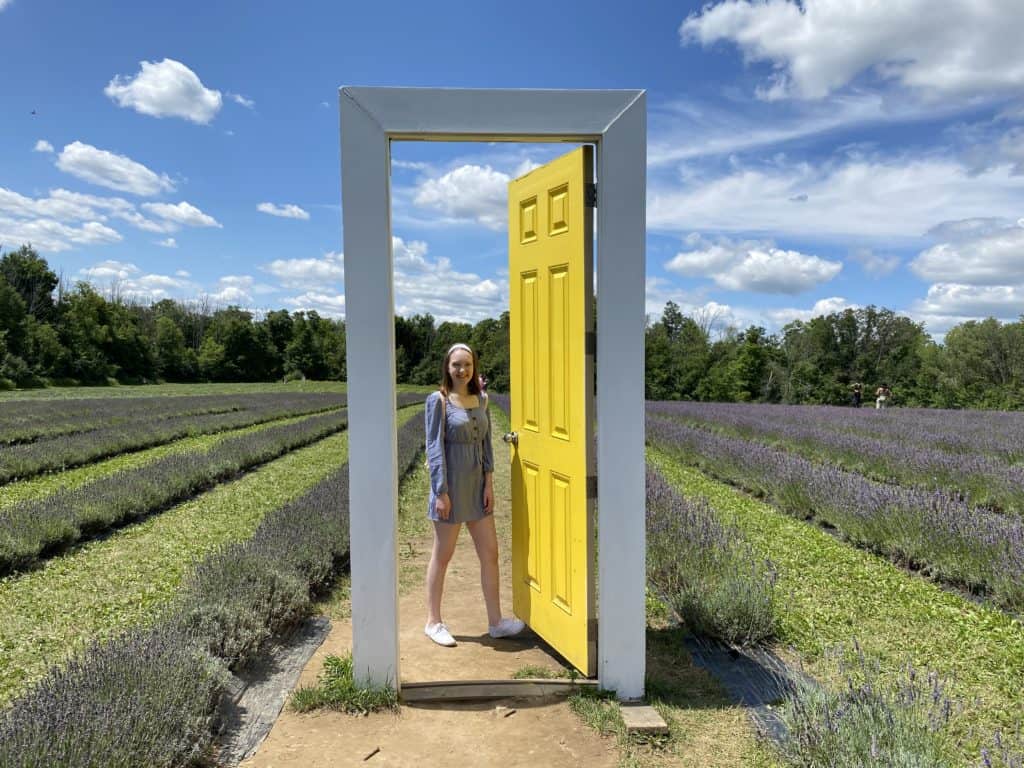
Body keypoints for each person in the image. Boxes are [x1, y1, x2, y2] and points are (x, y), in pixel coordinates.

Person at [423, 342, 525, 647]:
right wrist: (441, 492)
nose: (462, 370)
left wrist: (489, 484)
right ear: (447, 367)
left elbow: (487, 445)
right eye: (456, 365)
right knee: (443, 556)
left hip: (477, 488)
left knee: (490, 554)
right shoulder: (438, 401)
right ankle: (433, 622)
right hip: (451, 489)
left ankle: (496, 622)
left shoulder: (481, 399)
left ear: (474, 367)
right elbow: (434, 447)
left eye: (467, 364)